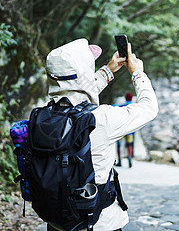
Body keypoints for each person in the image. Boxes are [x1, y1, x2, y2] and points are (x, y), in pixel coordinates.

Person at [45, 38, 158, 231]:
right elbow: (149, 108)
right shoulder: (102, 119)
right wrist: (137, 73)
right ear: (83, 75)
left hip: (57, 222)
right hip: (99, 222)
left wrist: (108, 70)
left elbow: (74, 94)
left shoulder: (44, 116)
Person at [115, 92, 135, 168]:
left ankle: (120, 160)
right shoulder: (134, 106)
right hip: (130, 129)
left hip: (121, 129)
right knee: (129, 145)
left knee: (119, 145)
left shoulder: (122, 106)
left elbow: (114, 108)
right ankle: (129, 158)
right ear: (132, 98)